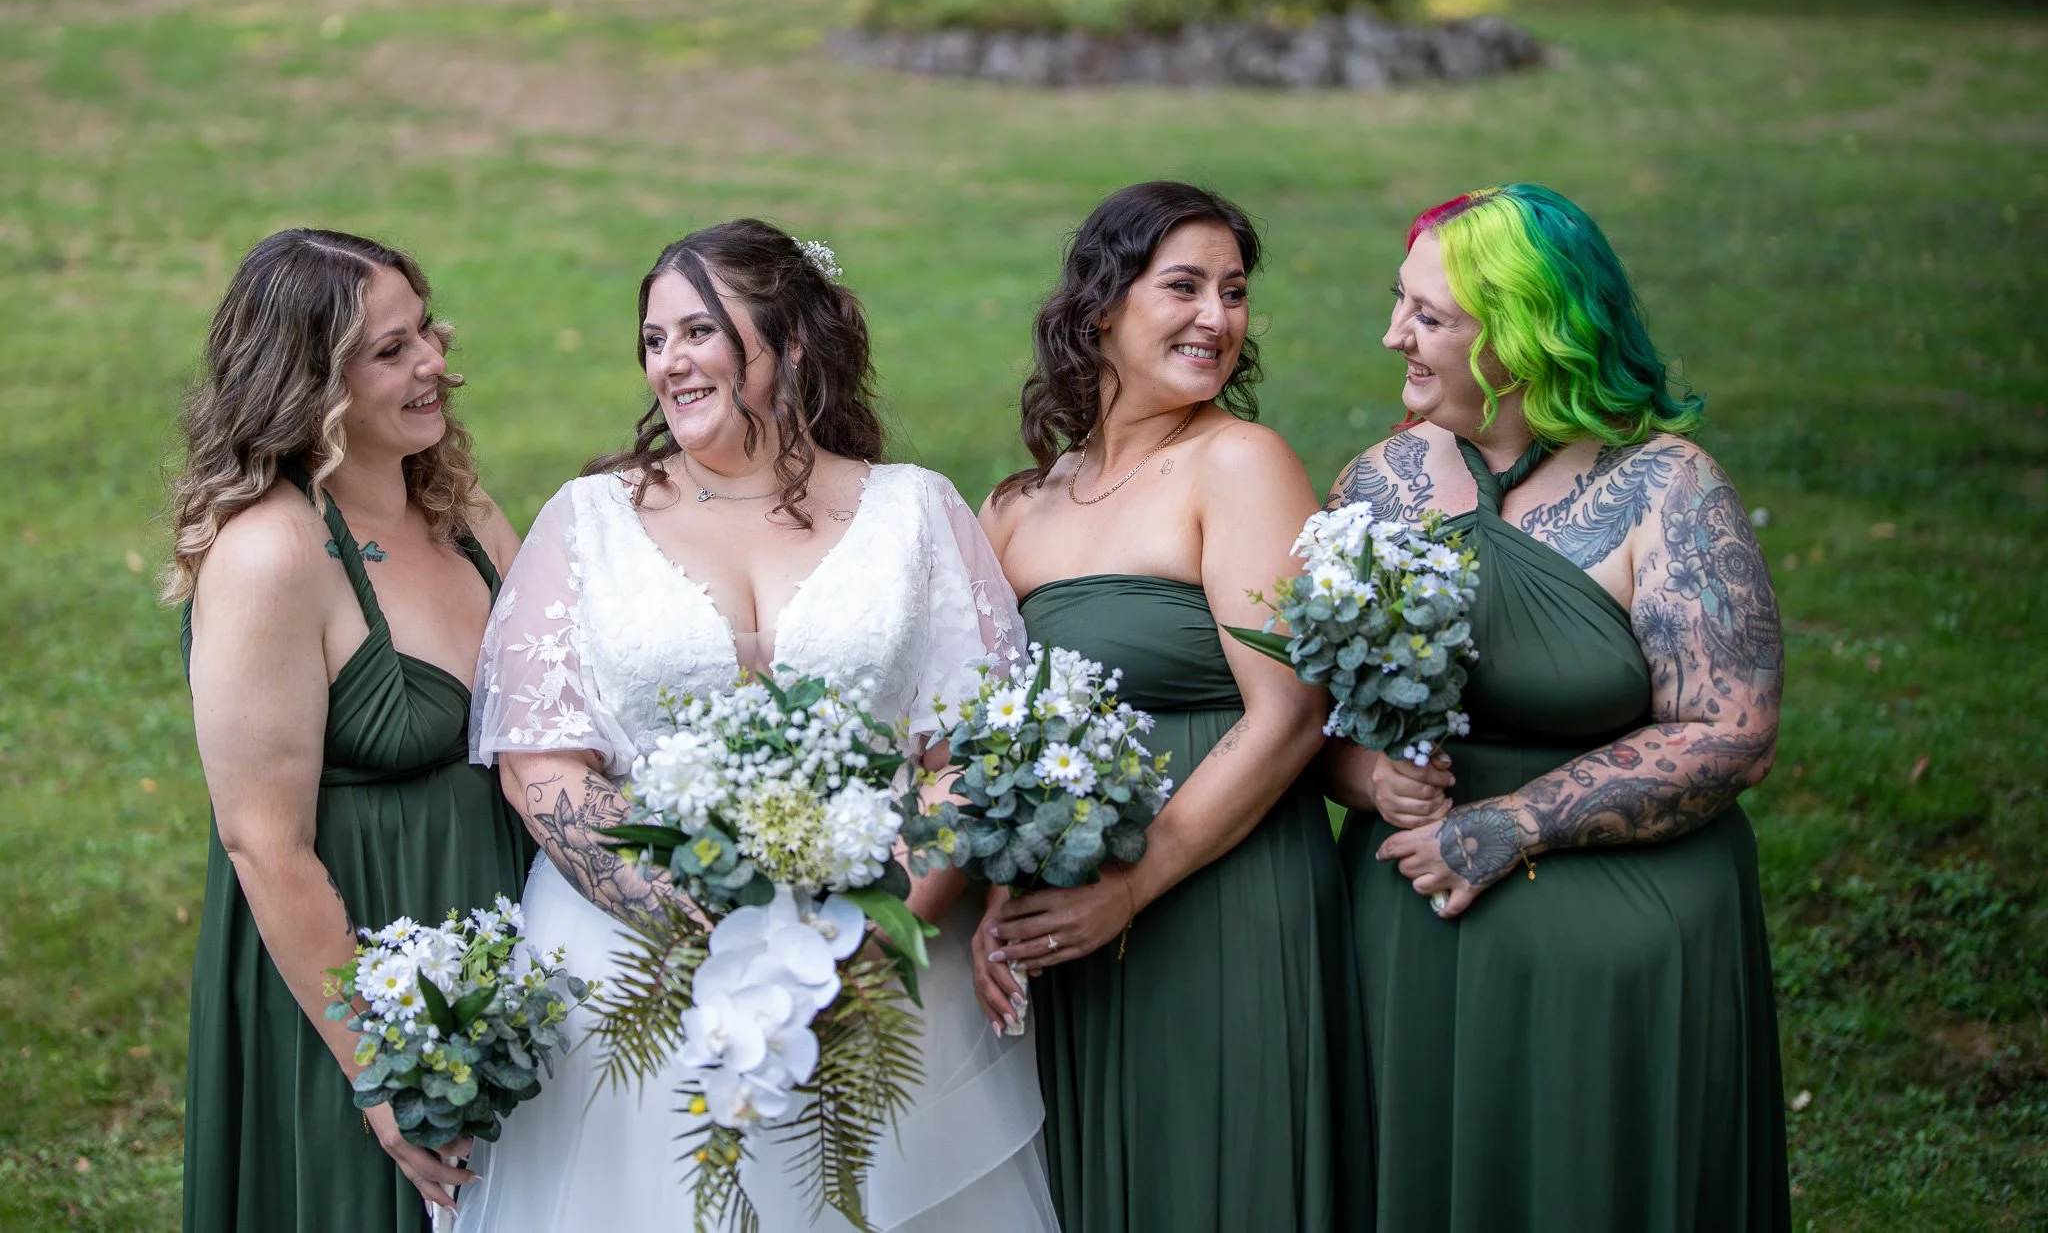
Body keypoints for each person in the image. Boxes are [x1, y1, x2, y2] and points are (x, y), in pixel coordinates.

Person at [454, 220, 1058, 1233]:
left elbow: (971, 755)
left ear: (789, 342)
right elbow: (541, 763)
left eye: (698, 331)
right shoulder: (588, 520)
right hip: (634, 976)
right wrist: (673, 908)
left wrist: (873, 924)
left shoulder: (915, 512)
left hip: (888, 975)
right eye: (653, 338)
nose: (669, 361)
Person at [1325, 183, 1791, 1231]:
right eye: (1399, 303)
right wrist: (1362, 774)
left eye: (1428, 318)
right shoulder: (1374, 485)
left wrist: (1507, 826)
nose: (1390, 334)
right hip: (1406, 934)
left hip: (1614, 935)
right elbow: (1309, 711)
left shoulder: (1668, 489)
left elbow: (1731, 734)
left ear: (1524, 337)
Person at [977, 180, 1375, 1233]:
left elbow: (1287, 714)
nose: (1217, 317)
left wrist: (1134, 882)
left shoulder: (1239, 463)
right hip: (1066, 917)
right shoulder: (1019, 505)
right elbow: (978, 734)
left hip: (1220, 894)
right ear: (1102, 306)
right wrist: (987, 898)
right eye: (1184, 286)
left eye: (1234, 292)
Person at [172, 229, 529, 1232]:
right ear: (305, 383)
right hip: (355, 971)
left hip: (505, 950)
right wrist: (384, 1072)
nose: (434, 367)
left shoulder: (463, 512)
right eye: (391, 351)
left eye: (427, 333)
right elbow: (263, 841)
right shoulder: (271, 558)